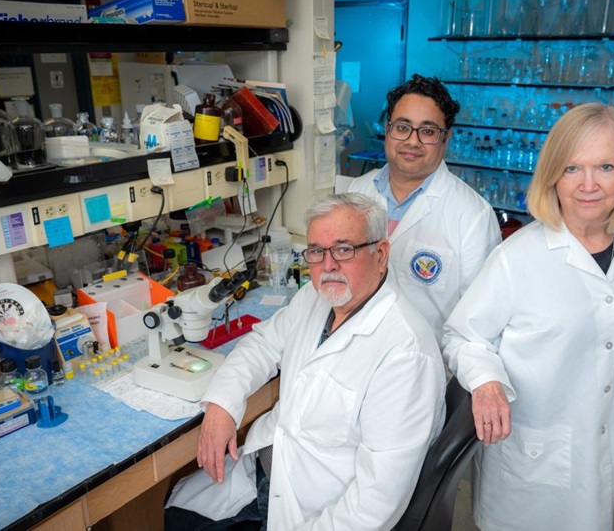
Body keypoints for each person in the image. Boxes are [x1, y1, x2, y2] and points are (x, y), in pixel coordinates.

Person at [442, 103, 614, 530]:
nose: (588, 185)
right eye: (571, 169)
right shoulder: (517, 256)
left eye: (605, 166)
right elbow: (463, 336)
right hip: (529, 454)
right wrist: (486, 382)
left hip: (602, 438)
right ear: (552, 177)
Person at [165, 193, 447, 530]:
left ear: (381, 254)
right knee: (176, 512)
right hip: (266, 469)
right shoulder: (316, 298)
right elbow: (263, 343)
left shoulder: (405, 354)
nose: (328, 266)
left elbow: (376, 503)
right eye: (316, 251)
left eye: (344, 249)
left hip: (315, 511)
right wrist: (223, 404)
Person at [348, 74, 501, 338]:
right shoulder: (356, 191)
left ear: (446, 138)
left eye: (428, 131)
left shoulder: (473, 214)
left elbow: (481, 322)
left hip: (426, 365)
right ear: (387, 130)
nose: (412, 141)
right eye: (402, 127)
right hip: (357, 351)